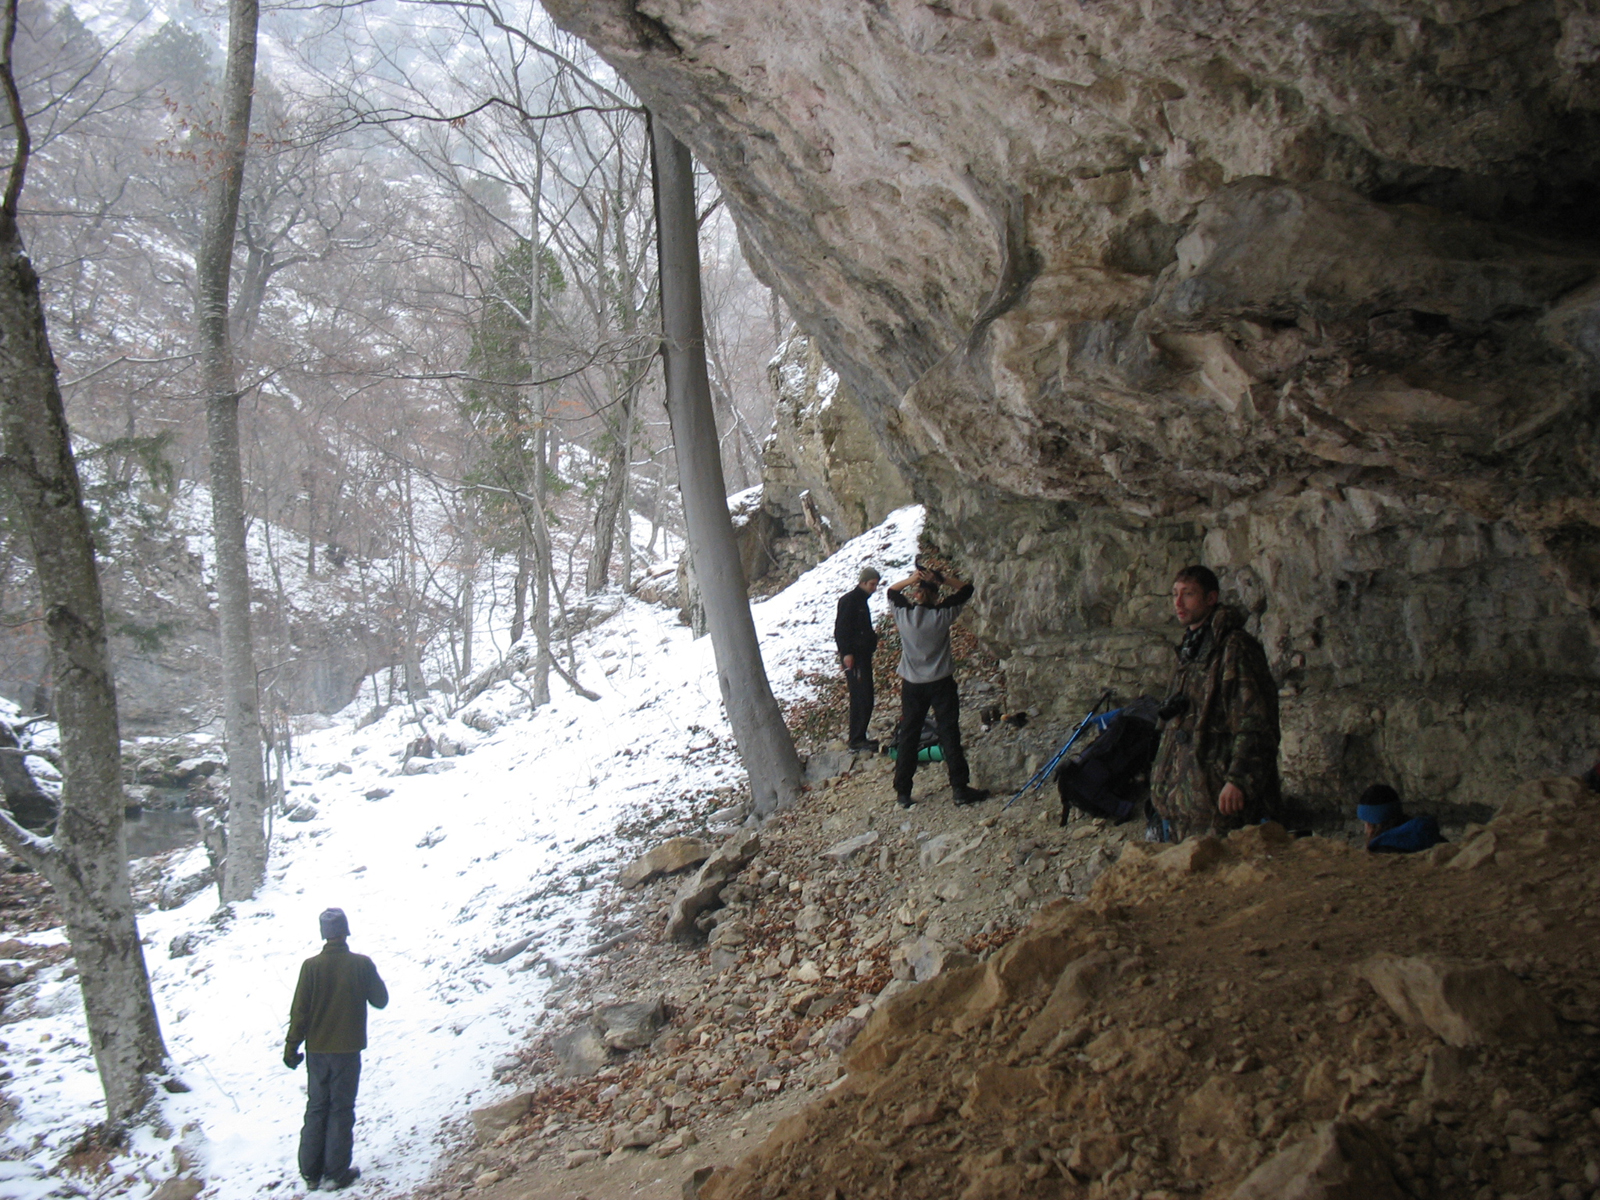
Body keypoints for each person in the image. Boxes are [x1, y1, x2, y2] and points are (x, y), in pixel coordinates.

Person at [1148, 565, 1280, 840]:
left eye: (1189, 594)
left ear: (1211, 598)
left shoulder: (1234, 648)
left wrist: (1238, 780)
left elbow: (1255, 722)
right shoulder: (1190, 649)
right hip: (1186, 804)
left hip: (1220, 805)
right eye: (1175, 594)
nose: (1178, 602)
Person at [285, 908, 389, 1192]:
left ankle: (310, 1173)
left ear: (324, 935)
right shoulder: (361, 964)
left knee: (317, 1107)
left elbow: (300, 1012)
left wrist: (291, 1046)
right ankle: (336, 1172)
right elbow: (380, 1000)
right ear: (345, 932)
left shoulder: (310, 967)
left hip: (317, 1051)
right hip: (347, 1050)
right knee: (341, 1108)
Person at [887, 565, 989, 809]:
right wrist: (943, 578)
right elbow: (967, 590)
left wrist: (913, 579)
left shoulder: (904, 615)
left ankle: (903, 791)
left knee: (909, 735)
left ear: (917, 595)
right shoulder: (942, 615)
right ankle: (960, 789)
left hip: (912, 684)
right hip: (941, 683)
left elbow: (892, 591)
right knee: (949, 733)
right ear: (936, 596)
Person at [834, 567, 882, 751]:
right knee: (862, 696)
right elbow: (841, 629)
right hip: (855, 657)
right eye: (871, 584)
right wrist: (846, 653)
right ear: (862, 582)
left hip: (862, 654)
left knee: (865, 695)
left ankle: (859, 735)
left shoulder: (860, 600)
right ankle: (856, 738)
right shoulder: (850, 601)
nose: (873, 588)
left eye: (875, 585)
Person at [1358, 783, 1445, 853]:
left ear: (1371, 824)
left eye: (1365, 822)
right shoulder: (1432, 836)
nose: (1365, 830)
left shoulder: (1382, 854)